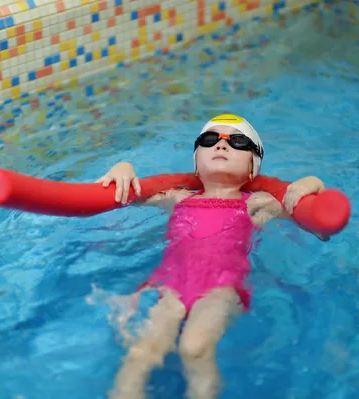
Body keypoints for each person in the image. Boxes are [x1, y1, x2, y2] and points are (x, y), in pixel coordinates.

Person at [95, 114, 327, 399]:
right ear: (196, 161)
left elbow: (318, 223)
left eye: (238, 142)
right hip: (171, 285)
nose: (221, 145)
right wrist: (123, 166)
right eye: (210, 139)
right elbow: (126, 197)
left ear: (253, 167)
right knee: (142, 353)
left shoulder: (256, 204)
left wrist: (310, 183)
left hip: (222, 287)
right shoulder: (178, 198)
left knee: (195, 346)